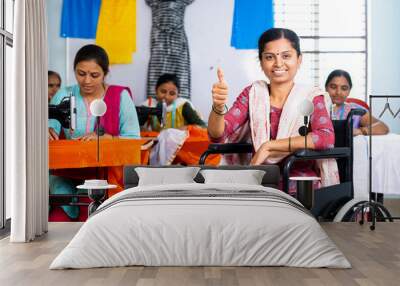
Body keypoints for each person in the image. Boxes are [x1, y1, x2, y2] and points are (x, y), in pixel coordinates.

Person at [208, 28, 339, 196]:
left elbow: (326, 137)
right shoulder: (253, 94)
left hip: (298, 184)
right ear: (261, 62)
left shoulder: (310, 97)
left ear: (299, 60)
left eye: (286, 56)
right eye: (270, 57)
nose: (278, 64)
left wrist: (269, 146)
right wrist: (218, 107)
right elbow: (218, 135)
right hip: (260, 179)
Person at [48, 44, 140, 219]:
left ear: (106, 73)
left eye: (94, 75)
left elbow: (133, 140)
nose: (87, 81)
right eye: (81, 74)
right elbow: (51, 126)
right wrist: (47, 130)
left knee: (102, 216)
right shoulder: (64, 94)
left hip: (106, 174)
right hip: (68, 171)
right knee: (61, 211)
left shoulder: (120, 97)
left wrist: (108, 138)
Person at [325, 69, 389, 136]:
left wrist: (360, 131)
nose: (338, 92)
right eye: (333, 87)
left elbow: (383, 127)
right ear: (326, 87)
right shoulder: (316, 107)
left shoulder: (355, 110)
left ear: (349, 91)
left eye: (344, 88)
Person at [141, 73, 205, 131]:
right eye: (163, 91)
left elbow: (203, 126)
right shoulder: (149, 105)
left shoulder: (183, 106)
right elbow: (136, 126)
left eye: (172, 93)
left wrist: (187, 128)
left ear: (178, 95)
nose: (166, 96)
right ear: (156, 90)